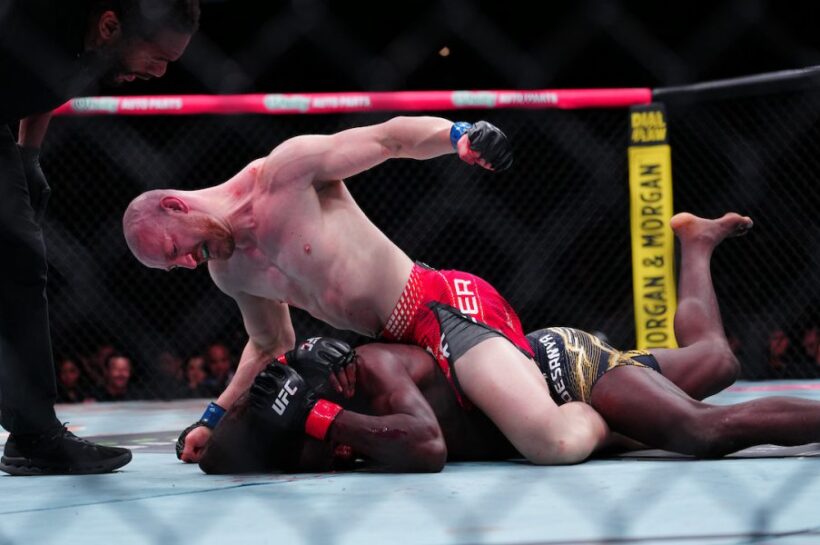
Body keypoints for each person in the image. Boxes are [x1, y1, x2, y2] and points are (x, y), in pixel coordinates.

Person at [124, 116, 607, 466]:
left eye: (174, 249)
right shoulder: (228, 272)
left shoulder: (284, 173)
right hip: (393, 348)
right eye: (172, 266)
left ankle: (606, 418)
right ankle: (554, 370)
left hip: (440, 309)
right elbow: (270, 344)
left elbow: (388, 139)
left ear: (176, 207)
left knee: (551, 444)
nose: (186, 263)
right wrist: (212, 418)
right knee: (481, 441)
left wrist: (457, 136)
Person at [200, 212, 820, 473]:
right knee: (717, 361)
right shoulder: (299, 432)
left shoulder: (372, 370)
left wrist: (319, 416)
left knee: (701, 431)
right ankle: (698, 244)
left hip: (560, 373)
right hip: (540, 394)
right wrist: (210, 426)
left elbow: (426, 446)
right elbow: (229, 451)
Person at [0, 0, 200, 475]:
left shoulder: (93, 44)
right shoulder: (30, 19)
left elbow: (44, 86)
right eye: (158, 57)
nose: (161, 72)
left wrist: (29, 154)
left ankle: (33, 435)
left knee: (20, 258)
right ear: (111, 25)